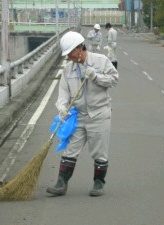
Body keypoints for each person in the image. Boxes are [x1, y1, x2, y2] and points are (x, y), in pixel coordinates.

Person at [46, 31, 119, 197]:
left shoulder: (101, 61)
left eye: (70, 53)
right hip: (78, 116)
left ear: (79, 48)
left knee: (99, 152)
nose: (69, 58)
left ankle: (99, 183)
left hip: (99, 114)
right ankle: (61, 183)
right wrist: (62, 108)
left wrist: (96, 77)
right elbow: (63, 92)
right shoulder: (68, 69)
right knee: (70, 150)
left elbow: (114, 79)